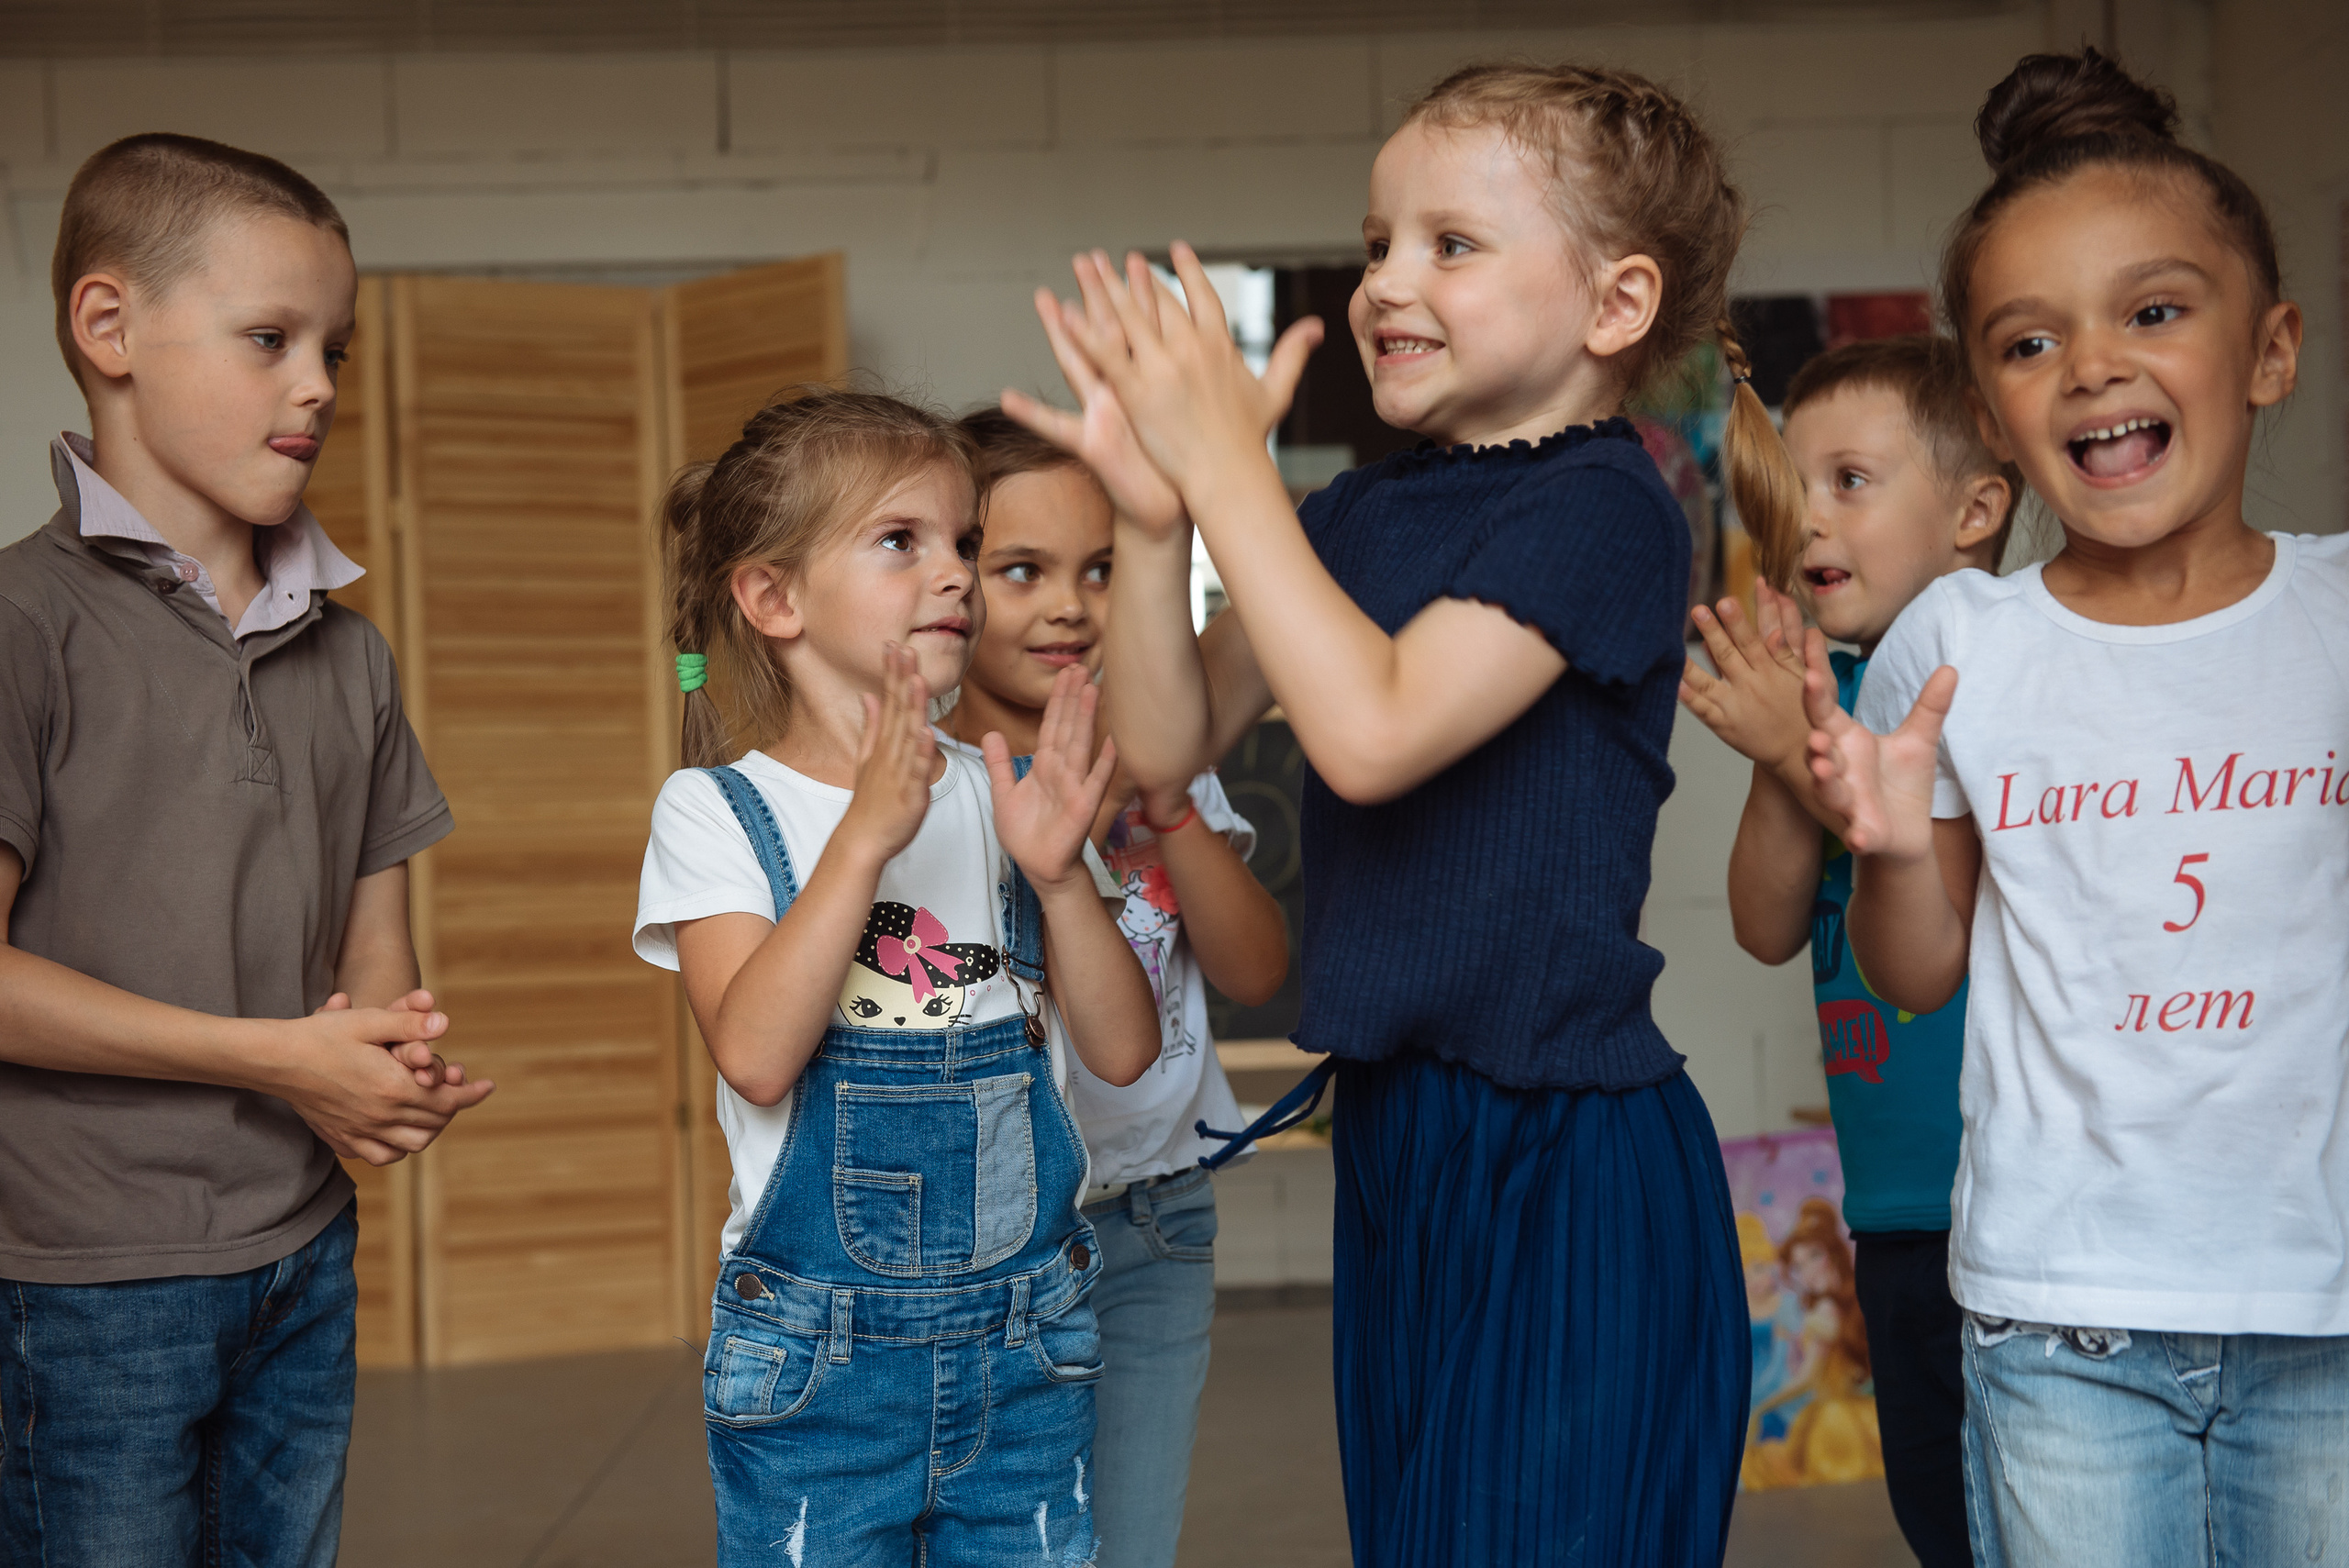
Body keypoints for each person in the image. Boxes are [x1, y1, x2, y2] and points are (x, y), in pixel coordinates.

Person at [1008, 61, 1803, 1566]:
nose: (1389, 280)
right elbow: (1169, 738)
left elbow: (1372, 731)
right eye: (1378, 242)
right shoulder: (1356, 516)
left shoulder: (1608, 506)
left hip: (1561, 1144)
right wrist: (1158, 511)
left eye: (1452, 242)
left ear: (1615, 304)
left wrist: (1230, 464)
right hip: (1402, 1135)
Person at [1805, 48, 2347, 1567]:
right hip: (2061, 1309)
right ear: (1991, 407)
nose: (2095, 365)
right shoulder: (1961, 642)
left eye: (2156, 311)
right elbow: (1918, 968)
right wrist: (1898, 842)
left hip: (2324, 1306)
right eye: (2031, 342)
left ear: (2272, 348)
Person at [0, 134, 491, 1564]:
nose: (321, 383)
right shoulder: (24, 628)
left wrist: (381, 1072)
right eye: (270, 338)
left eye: (333, 346)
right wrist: (275, 1059)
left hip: (302, 1257)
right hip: (82, 1282)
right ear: (110, 329)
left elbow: (372, 960)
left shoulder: (355, 654)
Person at [629, 387, 1159, 1565]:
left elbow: (1122, 1051)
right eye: (900, 541)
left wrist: (1061, 876)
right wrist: (864, 835)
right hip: (819, 1373)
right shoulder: (718, 810)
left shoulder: (1005, 792)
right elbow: (757, 1053)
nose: (957, 574)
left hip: (1030, 1356)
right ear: (773, 598)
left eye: (964, 541)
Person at [1678, 333, 2016, 1568]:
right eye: (1795, 488)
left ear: (1977, 509)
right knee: (1940, 1512)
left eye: (1851, 482)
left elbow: (1955, 873)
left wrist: (1799, 752)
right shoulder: (1833, 682)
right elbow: (1767, 927)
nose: (1808, 519)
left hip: (2008, 1202)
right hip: (1892, 1212)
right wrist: (1787, 748)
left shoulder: (1992, 674)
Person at [940, 407, 1288, 1568]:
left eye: (1100, 569)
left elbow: (1256, 971)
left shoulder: (1160, 745)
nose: (1069, 603)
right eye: (1020, 569)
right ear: (951, 578)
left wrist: (1169, 802)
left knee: (1126, 1546)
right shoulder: (927, 785)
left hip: (1153, 1219)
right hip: (988, 1240)